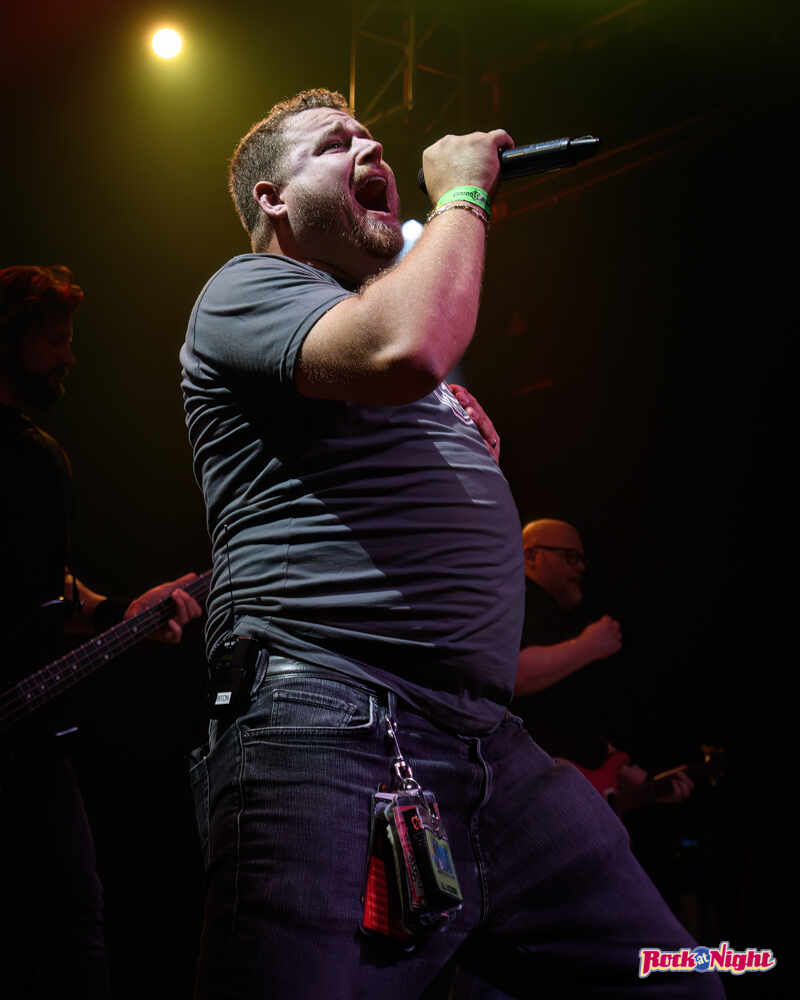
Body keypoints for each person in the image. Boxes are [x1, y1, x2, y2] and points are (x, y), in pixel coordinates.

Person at [180, 89, 723, 998]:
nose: (370, 147)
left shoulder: (354, 325)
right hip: (329, 716)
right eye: (335, 143)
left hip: (484, 739)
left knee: (677, 982)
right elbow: (408, 347)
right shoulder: (245, 290)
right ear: (273, 198)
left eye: (370, 136)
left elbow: (403, 357)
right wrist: (464, 196)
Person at [0, 264, 203, 998]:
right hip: (23, 760)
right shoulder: (31, 458)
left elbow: (46, 591)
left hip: (33, 743)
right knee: (71, 938)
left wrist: (122, 612)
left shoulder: (36, 457)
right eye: (55, 341)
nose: (70, 357)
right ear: (12, 342)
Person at [515, 518, 693, 814]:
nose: (580, 568)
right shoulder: (516, 601)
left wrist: (622, 775)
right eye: (569, 557)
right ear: (531, 556)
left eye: (581, 559)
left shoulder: (556, 617)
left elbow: (561, 721)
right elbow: (512, 674)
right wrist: (589, 645)